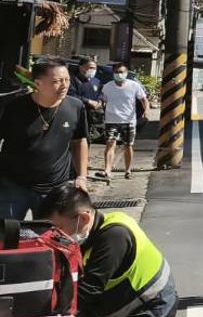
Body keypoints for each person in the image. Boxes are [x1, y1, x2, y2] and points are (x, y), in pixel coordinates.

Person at [40, 185, 180, 317]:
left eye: (58, 228)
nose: (54, 235)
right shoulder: (83, 235)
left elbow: (86, 291)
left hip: (147, 316)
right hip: (113, 307)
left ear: (84, 218)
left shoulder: (115, 235)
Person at [0, 58, 90, 220]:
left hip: (54, 188)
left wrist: (82, 176)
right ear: (38, 84)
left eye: (67, 80)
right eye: (57, 81)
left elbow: (79, 141)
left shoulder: (76, 107)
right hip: (13, 186)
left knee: (49, 233)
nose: (64, 85)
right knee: (7, 232)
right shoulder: (15, 107)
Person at [98, 63, 147, 182]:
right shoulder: (107, 86)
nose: (119, 74)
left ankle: (128, 170)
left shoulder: (134, 86)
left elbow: (143, 99)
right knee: (110, 144)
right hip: (111, 120)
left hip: (128, 121)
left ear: (126, 72)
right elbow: (102, 100)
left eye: (121, 72)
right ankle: (107, 170)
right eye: (116, 72)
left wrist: (146, 111)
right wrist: (99, 105)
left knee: (128, 145)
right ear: (113, 73)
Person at [70, 57, 105, 142]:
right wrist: (88, 101)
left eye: (94, 68)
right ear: (81, 67)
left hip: (92, 116)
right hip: (77, 114)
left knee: (88, 139)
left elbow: (101, 93)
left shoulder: (97, 81)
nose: (93, 70)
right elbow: (71, 95)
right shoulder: (73, 80)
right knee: (76, 139)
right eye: (90, 67)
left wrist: (100, 101)